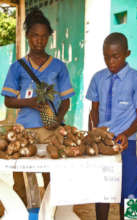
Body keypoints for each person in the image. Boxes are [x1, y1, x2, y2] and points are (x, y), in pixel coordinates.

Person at [1, 8, 75, 206]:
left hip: (50, 130)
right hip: (24, 130)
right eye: (35, 36)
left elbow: (66, 101)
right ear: (27, 36)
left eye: (44, 37)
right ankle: (25, 212)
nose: (39, 41)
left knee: (53, 175)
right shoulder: (17, 67)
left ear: (49, 38)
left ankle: (52, 211)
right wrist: (30, 103)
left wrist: (57, 121)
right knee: (22, 179)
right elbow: (8, 100)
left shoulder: (59, 66)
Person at [86, 32, 137, 220]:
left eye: (115, 56)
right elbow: (93, 111)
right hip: (102, 145)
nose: (110, 61)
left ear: (127, 53)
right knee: (101, 192)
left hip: (126, 144)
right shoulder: (98, 78)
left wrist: (126, 134)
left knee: (129, 192)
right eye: (106, 56)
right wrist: (92, 134)